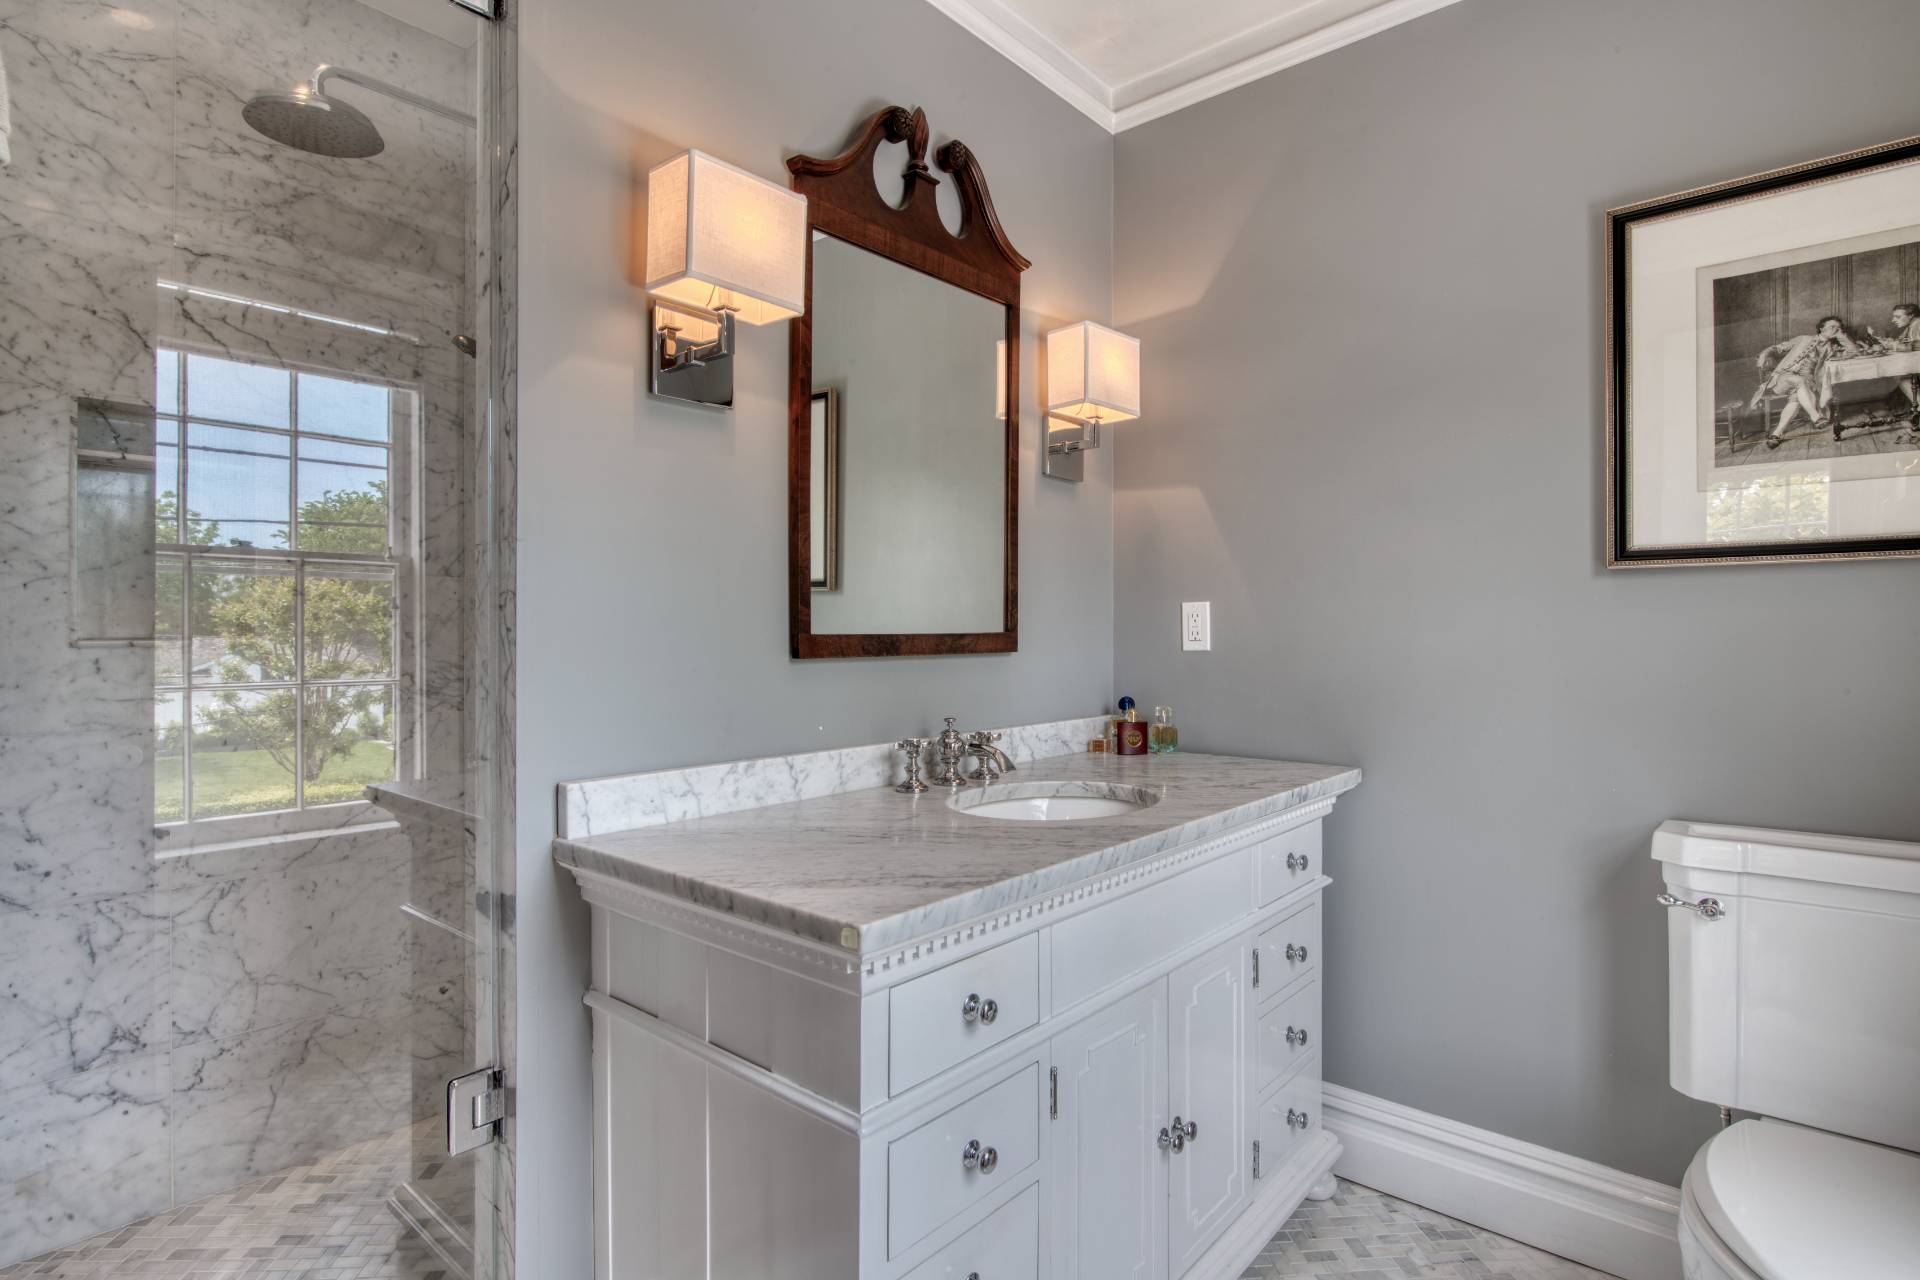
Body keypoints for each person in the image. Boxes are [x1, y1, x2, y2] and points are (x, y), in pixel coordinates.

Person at [1750, 316, 1858, 449]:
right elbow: (1777, 348)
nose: (1836, 329)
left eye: (1838, 328)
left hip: (1805, 385)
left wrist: (1842, 335)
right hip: (1782, 379)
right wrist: (1763, 354)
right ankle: (1815, 416)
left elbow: (1854, 351)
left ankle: (1777, 433)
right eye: (1832, 327)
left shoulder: (1831, 348)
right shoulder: (1803, 339)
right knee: (1798, 381)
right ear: (1821, 328)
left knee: (1795, 399)